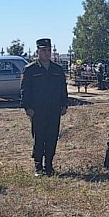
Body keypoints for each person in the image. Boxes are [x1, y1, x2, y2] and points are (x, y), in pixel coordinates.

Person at [20, 38, 69, 176]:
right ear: (38, 52)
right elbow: (25, 90)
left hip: (54, 109)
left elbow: (62, 89)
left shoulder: (57, 70)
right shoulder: (30, 70)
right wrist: (27, 107)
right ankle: (38, 166)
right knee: (39, 137)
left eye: (49, 50)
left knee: (52, 137)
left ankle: (49, 165)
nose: (47, 53)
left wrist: (64, 104)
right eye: (43, 50)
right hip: (38, 110)